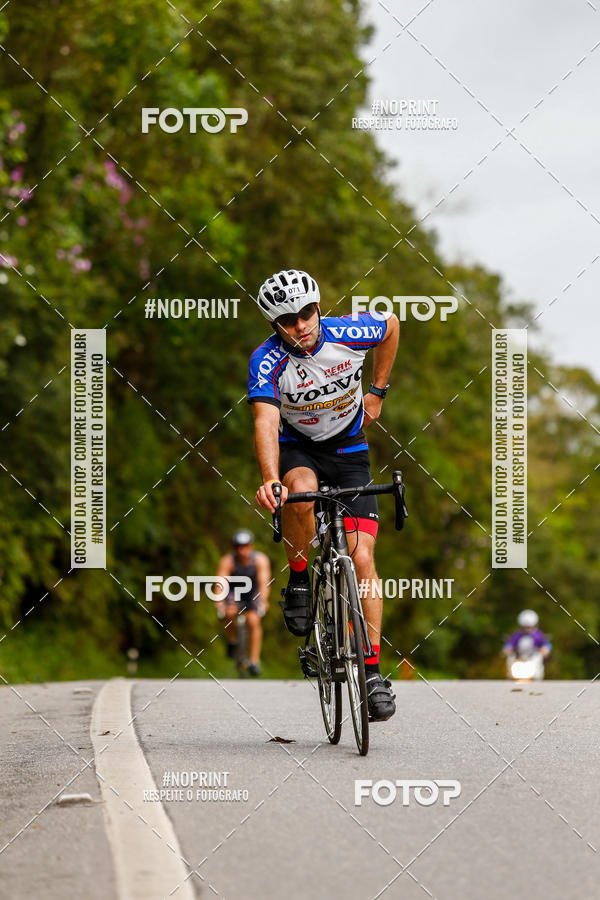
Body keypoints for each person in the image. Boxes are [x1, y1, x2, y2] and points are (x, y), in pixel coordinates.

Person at [248, 269, 400, 721]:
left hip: (350, 450)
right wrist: (270, 477)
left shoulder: (349, 332)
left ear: (319, 306)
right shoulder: (267, 359)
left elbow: (391, 325)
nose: (301, 325)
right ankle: (298, 577)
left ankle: (371, 673)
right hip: (299, 450)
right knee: (301, 491)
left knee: (364, 557)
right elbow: (265, 423)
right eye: (289, 319)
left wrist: (376, 392)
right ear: (275, 325)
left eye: (308, 312)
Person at [215, 530, 271, 676]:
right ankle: (232, 641)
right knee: (229, 613)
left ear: (251, 546)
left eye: (245, 546)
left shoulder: (260, 560)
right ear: (234, 548)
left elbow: (264, 583)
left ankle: (254, 660)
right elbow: (221, 582)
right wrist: (219, 601)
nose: (242, 550)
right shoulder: (228, 561)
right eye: (239, 547)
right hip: (234, 593)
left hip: (252, 592)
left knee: (253, 621)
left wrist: (263, 602)